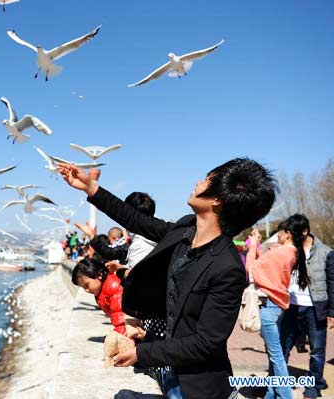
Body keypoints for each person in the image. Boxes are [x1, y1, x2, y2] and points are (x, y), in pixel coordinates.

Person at [58, 157, 276, 399]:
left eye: (208, 179)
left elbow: (204, 343)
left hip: (197, 387)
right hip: (168, 371)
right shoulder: (186, 230)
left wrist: (142, 353)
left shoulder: (227, 268)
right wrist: (91, 188)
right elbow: (138, 221)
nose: (198, 182)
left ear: (217, 199)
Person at [246, 219, 308, 399]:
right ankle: (271, 394)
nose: (278, 235)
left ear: (288, 233)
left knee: (276, 357)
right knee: (275, 354)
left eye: (281, 232)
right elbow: (264, 268)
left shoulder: (281, 252)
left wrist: (254, 245)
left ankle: (284, 395)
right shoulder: (291, 252)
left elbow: (250, 269)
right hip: (277, 305)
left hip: (268, 307)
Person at [279, 214, 334, 399]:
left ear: (305, 231)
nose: (290, 236)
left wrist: (332, 311)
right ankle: (276, 384)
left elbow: (332, 283)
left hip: (315, 307)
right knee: (282, 346)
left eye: (294, 233)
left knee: (317, 350)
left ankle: (313, 386)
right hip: (290, 306)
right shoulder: (289, 250)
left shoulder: (326, 252)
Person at [71, 257, 130, 335]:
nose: (86, 290)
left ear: (99, 275)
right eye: (83, 288)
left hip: (132, 325)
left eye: (87, 285)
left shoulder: (112, 287)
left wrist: (120, 334)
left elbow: (120, 315)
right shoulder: (100, 291)